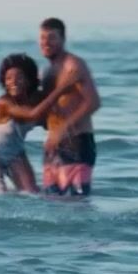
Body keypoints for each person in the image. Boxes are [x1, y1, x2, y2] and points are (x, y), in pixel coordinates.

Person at [0, 53, 76, 194]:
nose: (13, 82)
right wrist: (60, 90)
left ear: (28, 80)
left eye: (19, 77)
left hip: (16, 154)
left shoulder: (37, 99)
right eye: (8, 78)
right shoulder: (4, 102)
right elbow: (32, 114)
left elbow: (50, 122)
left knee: (33, 192)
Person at [37, 18, 101, 196]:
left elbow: (93, 102)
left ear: (63, 39)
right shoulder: (46, 71)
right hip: (53, 147)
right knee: (51, 201)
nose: (46, 42)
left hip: (77, 142)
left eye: (51, 37)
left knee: (77, 203)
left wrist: (62, 129)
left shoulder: (73, 65)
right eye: (42, 38)